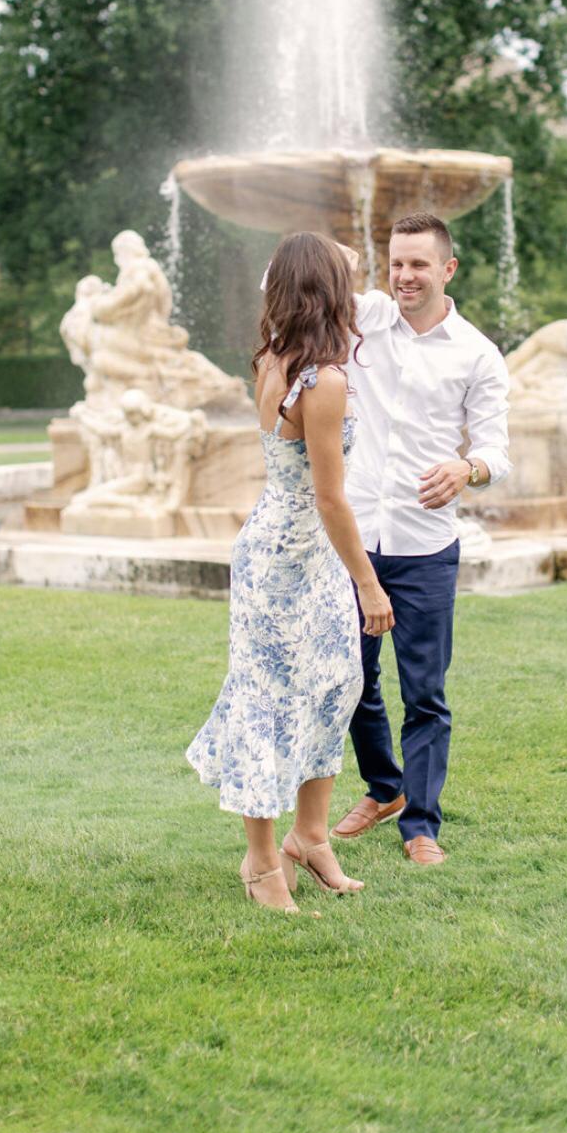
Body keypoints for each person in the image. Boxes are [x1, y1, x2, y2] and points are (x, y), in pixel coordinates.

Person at [185, 233, 394, 913]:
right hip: (288, 556)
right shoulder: (322, 380)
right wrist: (368, 582)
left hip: (294, 546)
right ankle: (260, 856)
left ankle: (310, 838)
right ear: (328, 292)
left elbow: (329, 259)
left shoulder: (277, 356)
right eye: (343, 281)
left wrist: (318, 256)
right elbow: (330, 498)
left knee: (336, 684)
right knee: (269, 698)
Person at [332, 212, 511, 866]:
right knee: (348, 678)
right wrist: (342, 260)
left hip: (425, 546)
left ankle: (421, 825)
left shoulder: (477, 353)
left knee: (425, 693)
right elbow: (281, 281)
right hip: (353, 537)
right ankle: (384, 787)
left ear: (448, 269)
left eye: (418, 264)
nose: (404, 276)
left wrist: (467, 468)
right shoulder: (364, 318)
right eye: (396, 264)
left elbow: (496, 450)